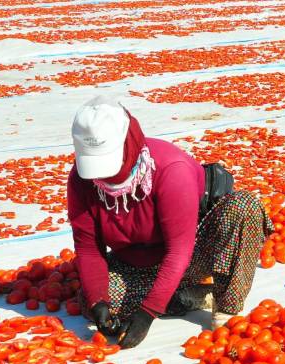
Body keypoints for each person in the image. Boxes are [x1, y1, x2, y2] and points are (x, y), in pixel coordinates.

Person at [68, 95, 273, 348]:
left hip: (193, 254)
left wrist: (147, 313)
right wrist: (99, 302)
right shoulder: (81, 180)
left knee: (244, 207)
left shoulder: (169, 170)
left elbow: (179, 251)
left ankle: (225, 305)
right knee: (89, 301)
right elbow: (88, 248)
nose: (104, 175)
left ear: (128, 141)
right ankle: (190, 296)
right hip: (137, 263)